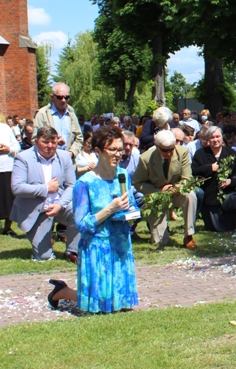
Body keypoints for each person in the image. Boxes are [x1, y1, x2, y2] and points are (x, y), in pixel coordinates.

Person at [46, 125, 140, 314]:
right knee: (99, 305)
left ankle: (67, 290)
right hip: (97, 247)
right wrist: (110, 209)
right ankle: (61, 291)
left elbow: (132, 203)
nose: (118, 154)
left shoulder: (123, 176)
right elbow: (82, 224)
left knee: (119, 305)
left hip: (120, 243)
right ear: (97, 151)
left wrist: (132, 210)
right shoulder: (84, 183)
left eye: (120, 149)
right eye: (112, 149)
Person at [10, 126, 80, 262]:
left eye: (53, 142)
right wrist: (46, 188)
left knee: (78, 210)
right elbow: (17, 187)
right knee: (43, 257)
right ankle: (45, 239)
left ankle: (72, 251)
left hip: (59, 206)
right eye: (45, 142)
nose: (50, 146)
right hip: (36, 210)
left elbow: (71, 186)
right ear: (36, 141)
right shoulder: (22, 158)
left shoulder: (64, 157)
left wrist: (60, 205)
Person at [133, 129, 198, 249]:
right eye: (164, 150)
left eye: (171, 149)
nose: (168, 153)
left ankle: (189, 235)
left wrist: (179, 186)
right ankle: (158, 232)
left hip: (176, 193)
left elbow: (187, 178)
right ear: (157, 146)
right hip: (157, 195)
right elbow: (137, 182)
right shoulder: (145, 158)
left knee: (191, 195)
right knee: (161, 242)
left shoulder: (182, 152)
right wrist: (158, 191)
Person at [191, 126, 236, 231]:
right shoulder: (200, 154)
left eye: (217, 136)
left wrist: (230, 181)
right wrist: (209, 168)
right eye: (212, 137)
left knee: (228, 227)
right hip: (209, 193)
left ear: (222, 137)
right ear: (208, 139)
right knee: (212, 228)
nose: (215, 140)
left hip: (227, 194)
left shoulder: (231, 153)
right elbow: (194, 171)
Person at [34, 83, 83, 160]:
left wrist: (71, 153)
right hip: (48, 160)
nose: (63, 100)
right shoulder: (42, 114)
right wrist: (54, 142)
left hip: (69, 160)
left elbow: (79, 138)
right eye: (59, 97)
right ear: (52, 97)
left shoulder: (71, 114)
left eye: (66, 97)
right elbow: (35, 139)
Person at [0, 116, 19, 235]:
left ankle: (7, 227)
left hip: (7, 168)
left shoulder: (5, 128)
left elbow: (17, 147)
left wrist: (8, 149)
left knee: (9, 199)